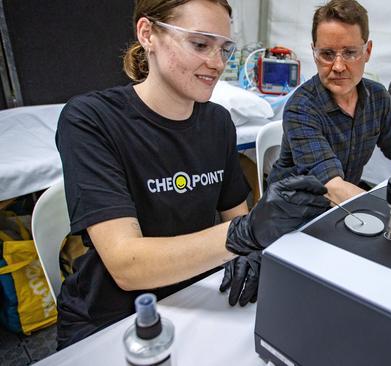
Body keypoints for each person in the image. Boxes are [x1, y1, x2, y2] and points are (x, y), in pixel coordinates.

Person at [55, 0, 329, 349]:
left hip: (198, 294)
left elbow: (237, 215)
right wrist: (245, 234)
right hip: (113, 316)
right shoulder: (92, 120)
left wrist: (255, 244)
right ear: (147, 34)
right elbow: (126, 265)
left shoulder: (217, 123)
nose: (216, 64)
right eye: (200, 44)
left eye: (224, 48)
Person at [268, 0, 391, 204]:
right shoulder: (302, 107)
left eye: (350, 53)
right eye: (327, 54)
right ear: (314, 53)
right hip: (290, 210)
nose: (338, 66)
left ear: (367, 52)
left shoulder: (377, 96)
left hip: (340, 205)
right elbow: (332, 187)